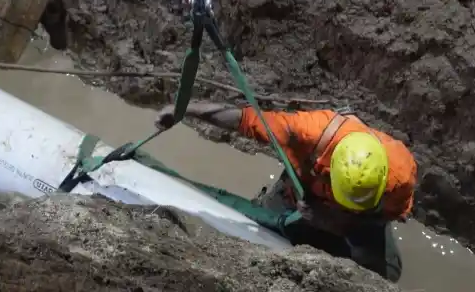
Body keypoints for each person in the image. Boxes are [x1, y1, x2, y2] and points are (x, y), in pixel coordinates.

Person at [156, 102, 417, 282]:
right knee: (260, 241)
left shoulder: (400, 175)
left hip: (354, 220)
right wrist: (185, 109)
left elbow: (386, 216)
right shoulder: (308, 132)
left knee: (387, 273)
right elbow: (244, 119)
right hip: (299, 196)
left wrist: (336, 223)